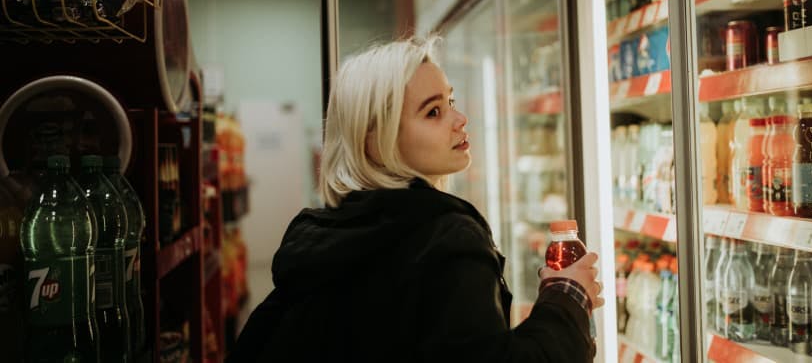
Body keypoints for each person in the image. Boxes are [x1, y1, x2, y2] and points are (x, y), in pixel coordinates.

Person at [227, 37, 604, 362]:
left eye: (451, 101)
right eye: (434, 111)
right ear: (376, 138)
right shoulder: (445, 239)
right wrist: (566, 296)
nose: (460, 118)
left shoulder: (324, 234)